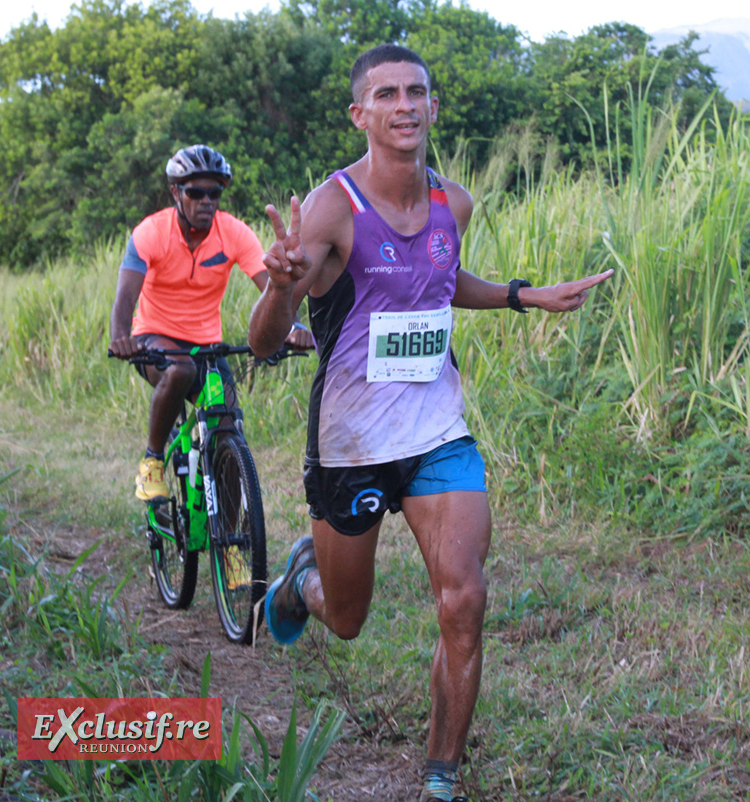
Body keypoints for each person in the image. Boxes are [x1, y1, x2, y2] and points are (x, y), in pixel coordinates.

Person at [247, 44, 613, 802]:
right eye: (386, 94)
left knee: (465, 598)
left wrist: (521, 296)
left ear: (434, 107)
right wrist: (281, 291)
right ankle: (300, 579)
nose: (405, 104)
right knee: (347, 621)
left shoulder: (456, 203)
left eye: (417, 91)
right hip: (349, 441)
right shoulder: (330, 208)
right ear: (361, 114)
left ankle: (441, 777)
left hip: (436, 430)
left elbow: (439, 282)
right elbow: (262, 339)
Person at [108, 144, 313, 502]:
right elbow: (125, 297)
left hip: (207, 345)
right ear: (176, 192)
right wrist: (120, 337)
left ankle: (233, 549)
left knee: (228, 427)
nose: (206, 201)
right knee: (180, 371)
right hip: (155, 339)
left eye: (214, 193)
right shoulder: (151, 232)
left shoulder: (232, 232)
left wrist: (292, 326)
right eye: (195, 192)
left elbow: (274, 288)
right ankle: (152, 461)